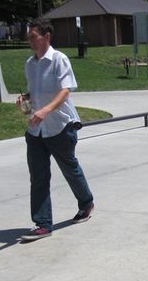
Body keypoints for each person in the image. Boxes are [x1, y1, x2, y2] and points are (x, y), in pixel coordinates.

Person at [18, 18, 94, 242]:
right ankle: (43, 224)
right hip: (36, 130)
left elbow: (65, 91)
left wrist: (46, 110)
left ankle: (86, 203)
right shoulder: (30, 64)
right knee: (38, 177)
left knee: (70, 169)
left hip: (60, 127)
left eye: (33, 37)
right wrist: (25, 99)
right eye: (29, 37)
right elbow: (34, 92)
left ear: (47, 36)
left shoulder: (59, 60)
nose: (30, 41)